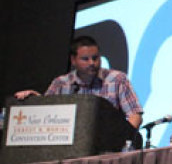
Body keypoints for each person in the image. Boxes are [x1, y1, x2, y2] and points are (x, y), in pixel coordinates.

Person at [14, 35, 143, 128]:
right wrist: (34, 99)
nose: (92, 63)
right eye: (85, 59)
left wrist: (123, 141)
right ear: (73, 60)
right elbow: (47, 115)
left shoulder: (117, 79)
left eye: (95, 58)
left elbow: (135, 115)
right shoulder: (60, 83)